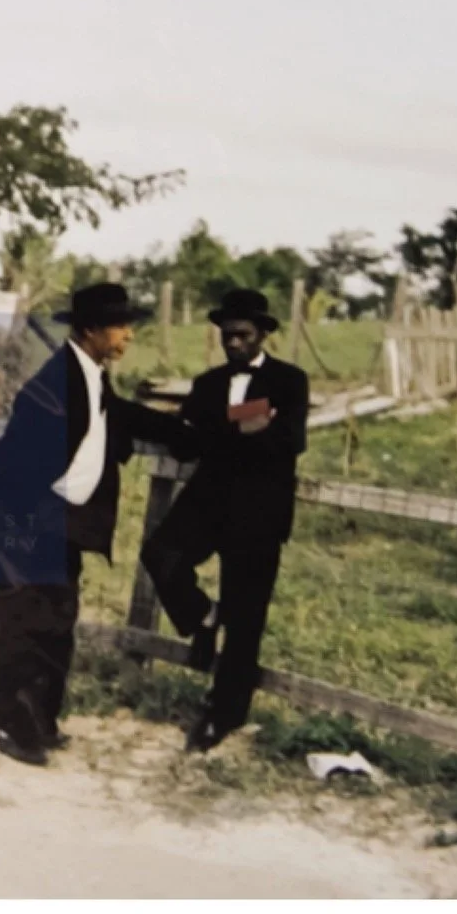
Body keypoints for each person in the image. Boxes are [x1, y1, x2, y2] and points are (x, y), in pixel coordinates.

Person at [0, 283, 190, 766]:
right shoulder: (51, 387)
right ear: (91, 330)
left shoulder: (90, 374)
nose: (129, 335)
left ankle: (42, 723)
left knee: (57, 626)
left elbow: (119, 416)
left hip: (57, 528)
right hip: (21, 526)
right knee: (24, 631)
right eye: (120, 326)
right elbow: (9, 459)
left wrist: (184, 431)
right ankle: (15, 730)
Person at [141, 287, 309, 753]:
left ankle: (223, 715)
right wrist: (247, 422)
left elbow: (290, 441)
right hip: (209, 500)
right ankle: (203, 616)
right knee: (159, 554)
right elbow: (188, 440)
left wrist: (223, 426)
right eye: (227, 336)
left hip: (259, 510)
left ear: (262, 335)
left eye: (243, 336)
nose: (234, 344)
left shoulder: (290, 380)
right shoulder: (208, 382)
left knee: (247, 615)